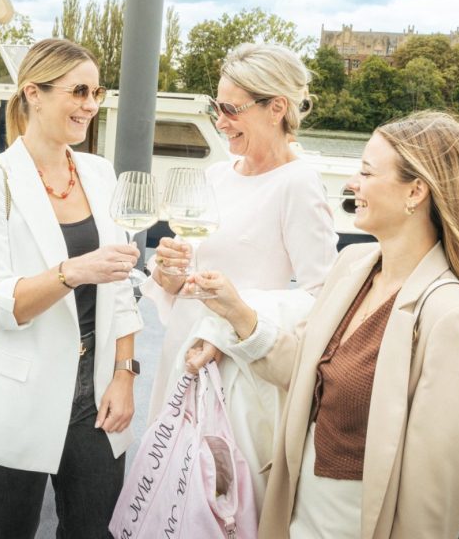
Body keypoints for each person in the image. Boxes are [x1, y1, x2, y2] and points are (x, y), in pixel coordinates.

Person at [186, 110, 459, 539]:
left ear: (416, 192)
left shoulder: (451, 316)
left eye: (367, 173)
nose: (353, 184)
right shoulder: (353, 266)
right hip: (296, 511)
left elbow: (433, 499)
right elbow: (306, 372)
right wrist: (234, 313)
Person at [0, 38, 143, 539]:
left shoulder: (100, 174)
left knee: (92, 531)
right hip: (18, 396)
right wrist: (72, 271)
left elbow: (120, 287)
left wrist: (124, 375)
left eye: (97, 92)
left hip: (97, 396)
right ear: (33, 93)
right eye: (79, 91)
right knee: (7, 530)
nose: (91, 105)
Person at [142, 42, 339, 510]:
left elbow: (323, 297)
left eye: (231, 109)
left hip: (239, 369)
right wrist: (170, 273)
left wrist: (236, 314)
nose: (220, 121)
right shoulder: (215, 176)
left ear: (277, 108)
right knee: (171, 491)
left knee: (218, 502)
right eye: (216, 107)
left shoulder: (299, 183)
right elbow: (193, 274)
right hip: (184, 354)